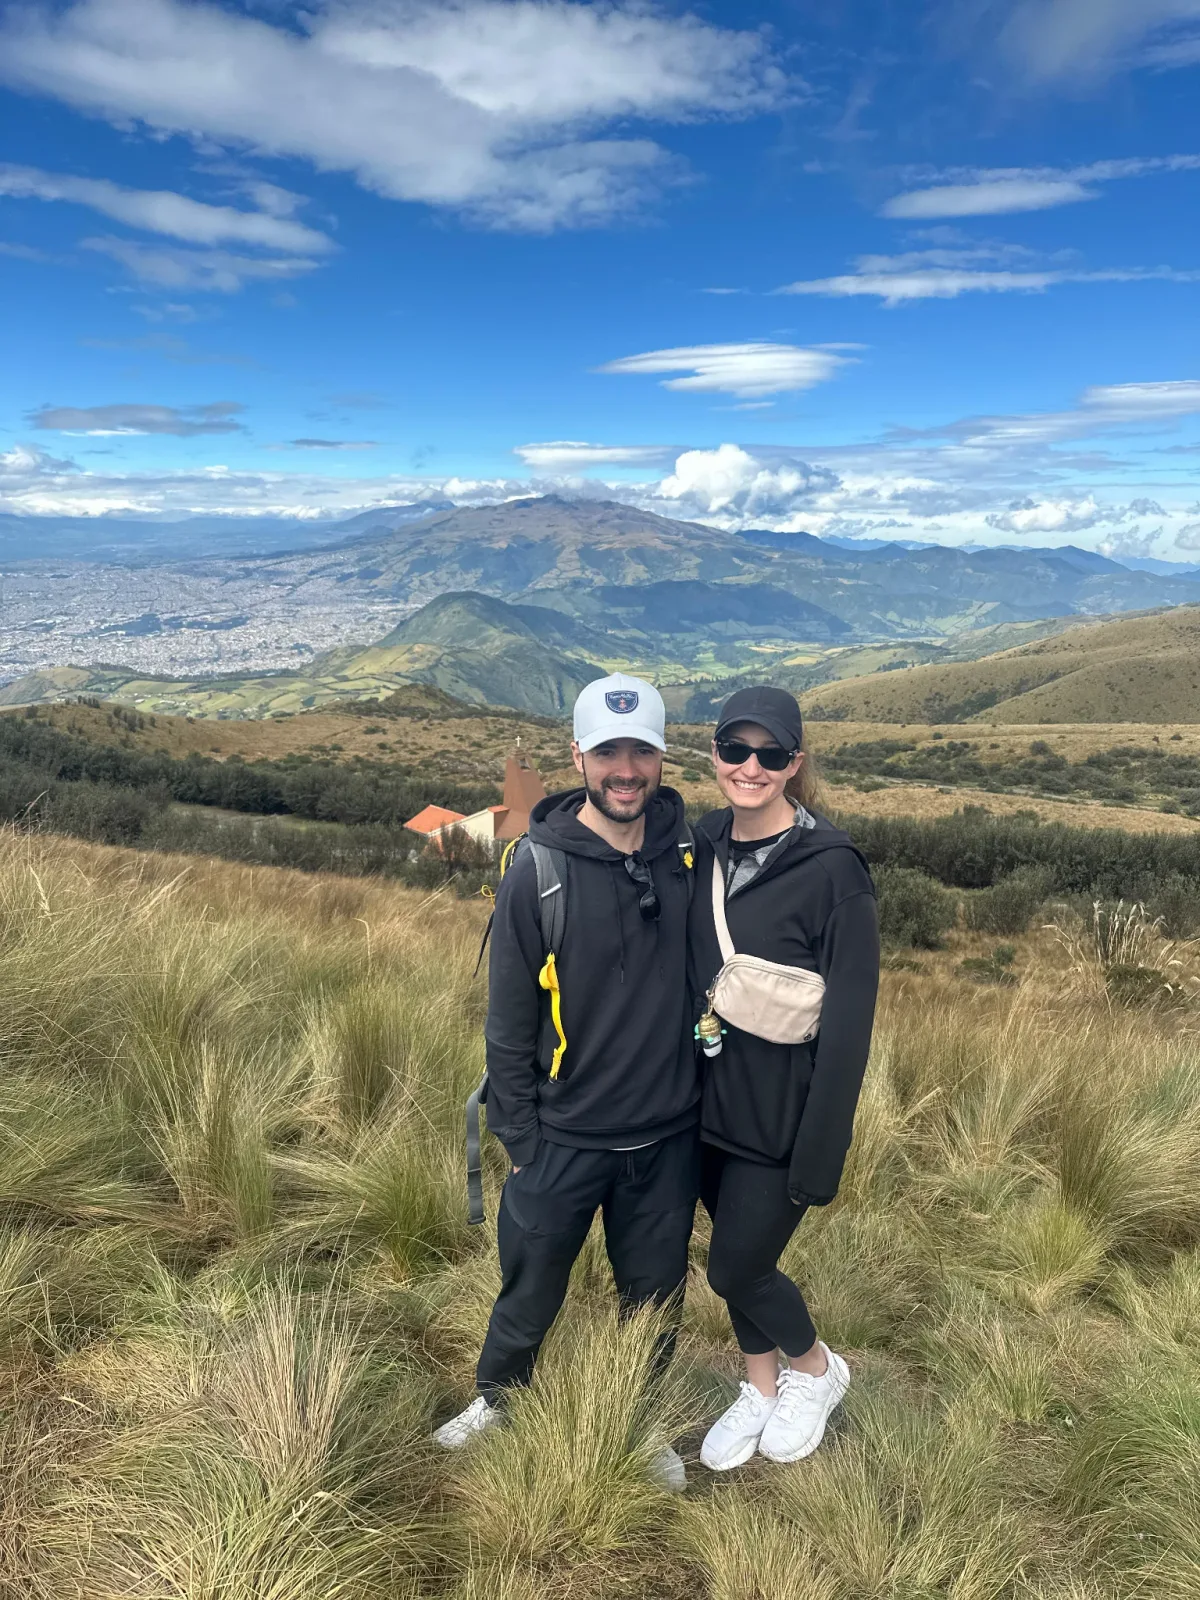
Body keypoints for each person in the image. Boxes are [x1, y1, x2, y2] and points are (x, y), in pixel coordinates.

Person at [434, 672, 699, 1491]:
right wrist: (522, 1139)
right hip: (562, 1137)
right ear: (578, 755)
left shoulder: (690, 855)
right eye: (610, 752)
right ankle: (499, 1397)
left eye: (643, 753)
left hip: (666, 1136)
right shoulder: (537, 870)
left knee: (653, 1301)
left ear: (662, 759)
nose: (627, 771)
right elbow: (508, 1021)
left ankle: (636, 1418)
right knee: (531, 1278)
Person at [688, 685, 879, 1472]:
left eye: (771, 754)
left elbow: (850, 1029)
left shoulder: (835, 871)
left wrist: (820, 1157)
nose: (751, 766)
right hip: (702, 1107)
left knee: (735, 1266)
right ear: (715, 756)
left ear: (795, 764)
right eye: (736, 750)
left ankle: (815, 1370)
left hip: (781, 1120)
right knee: (736, 1259)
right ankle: (760, 1387)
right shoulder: (701, 843)